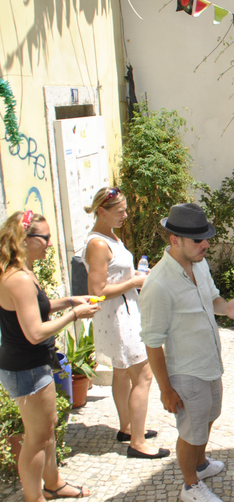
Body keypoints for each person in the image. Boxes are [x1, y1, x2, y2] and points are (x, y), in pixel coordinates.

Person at [139, 203, 234, 502]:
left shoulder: (199, 264)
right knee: (191, 431)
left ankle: (200, 465)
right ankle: (190, 486)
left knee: (210, 416)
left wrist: (226, 307)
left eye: (206, 237)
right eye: (198, 240)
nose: (206, 244)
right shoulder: (158, 285)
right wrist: (166, 390)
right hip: (186, 372)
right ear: (175, 240)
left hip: (210, 362)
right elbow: (152, 342)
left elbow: (211, 297)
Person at [0, 211, 101, 501]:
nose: (49, 244)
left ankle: (54, 484)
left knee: (47, 430)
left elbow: (36, 308)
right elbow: (34, 332)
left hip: (32, 364)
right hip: (26, 367)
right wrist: (74, 314)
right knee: (36, 439)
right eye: (44, 238)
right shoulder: (17, 277)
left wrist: (70, 300)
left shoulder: (24, 270)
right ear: (24, 239)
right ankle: (35, 497)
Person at [83, 187, 166, 459]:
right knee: (143, 375)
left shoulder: (109, 237)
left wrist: (137, 277)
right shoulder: (97, 244)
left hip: (123, 312)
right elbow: (97, 290)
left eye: (125, 210)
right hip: (117, 316)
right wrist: (135, 282)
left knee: (121, 371)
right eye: (120, 211)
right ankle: (138, 442)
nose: (126, 215)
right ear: (101, 212)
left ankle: (127, 428)